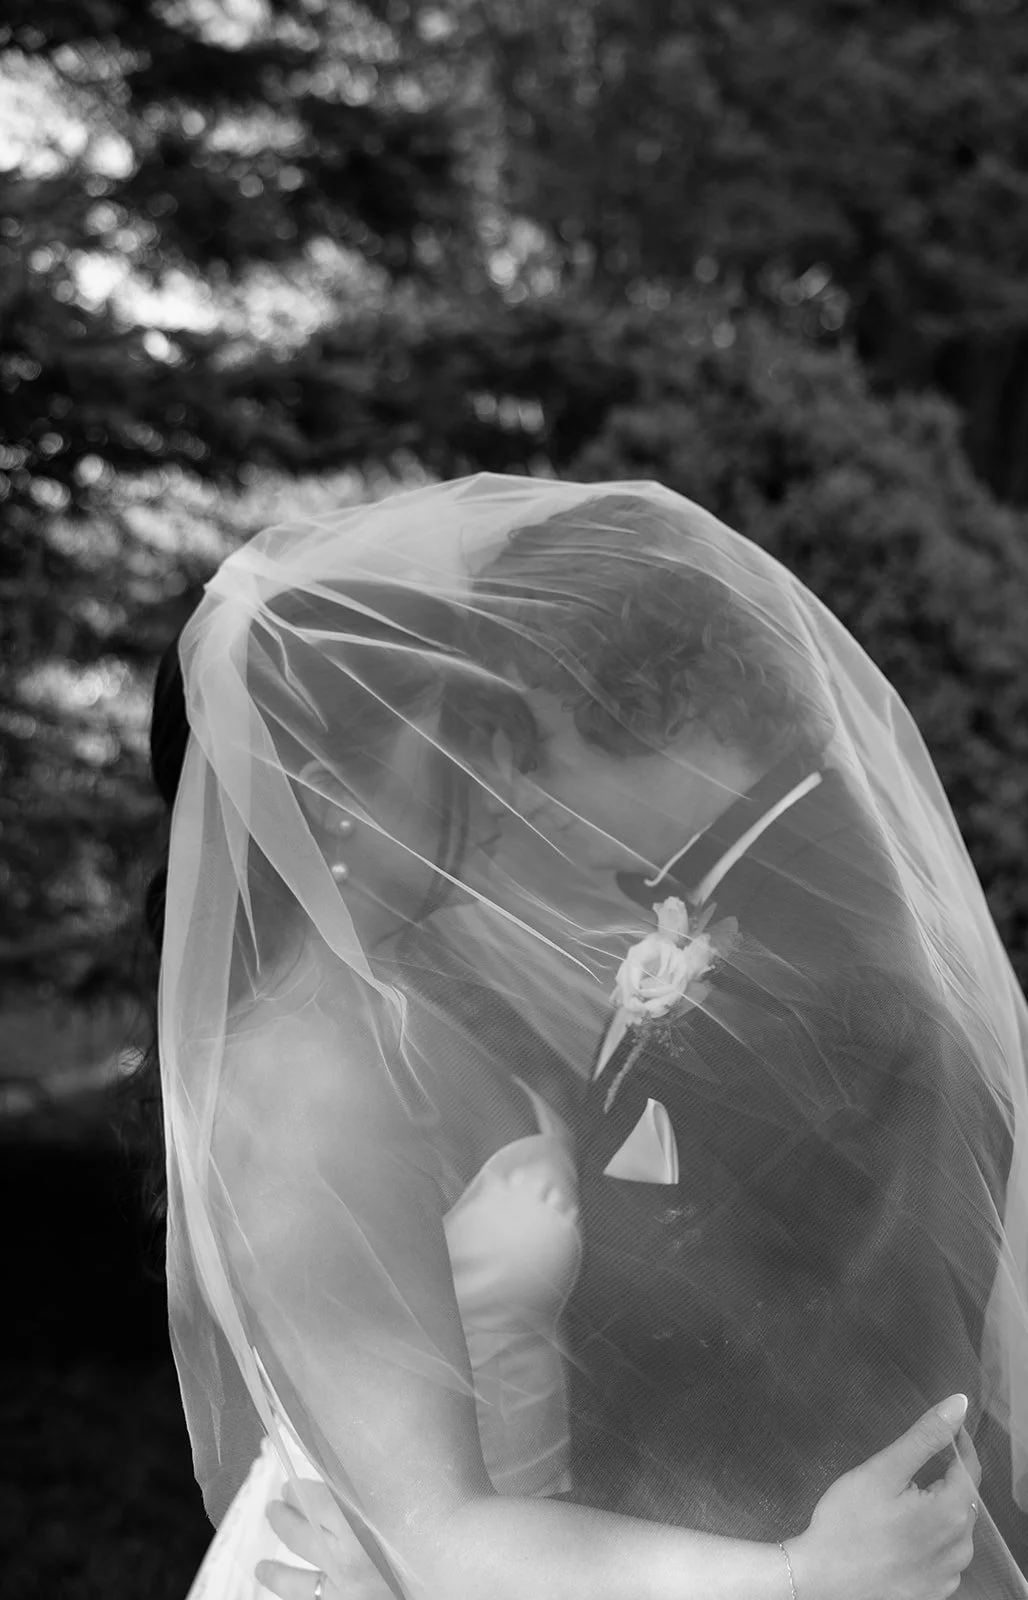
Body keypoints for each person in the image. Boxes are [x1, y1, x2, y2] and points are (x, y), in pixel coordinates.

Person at [150, 481, 983, 1600]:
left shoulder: (445, 982)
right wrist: (796, 1574)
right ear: (325, 792)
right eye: (455, 753)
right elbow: (426, 1534)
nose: (502, 785)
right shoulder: (309, 1077)